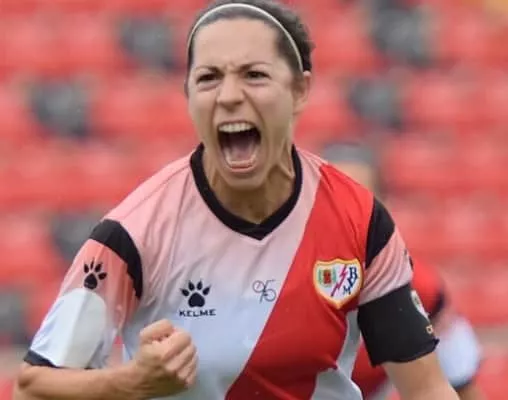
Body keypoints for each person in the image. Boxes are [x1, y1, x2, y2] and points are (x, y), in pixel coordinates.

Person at [12, 1, 459, 399]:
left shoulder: (358, 218)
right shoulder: (134, 232)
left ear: (300, 90)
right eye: (208, 78)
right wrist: (130, 383)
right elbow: (32, 388)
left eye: (254, 75)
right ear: (188, 95)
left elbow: (427, 389)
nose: (228, 96)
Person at [321, 143, 485, 400]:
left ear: (383, 206)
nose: (345, 214)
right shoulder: (276, 278)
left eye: (358, 200)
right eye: (332, 201)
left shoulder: (419, 288)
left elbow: (461, 386)